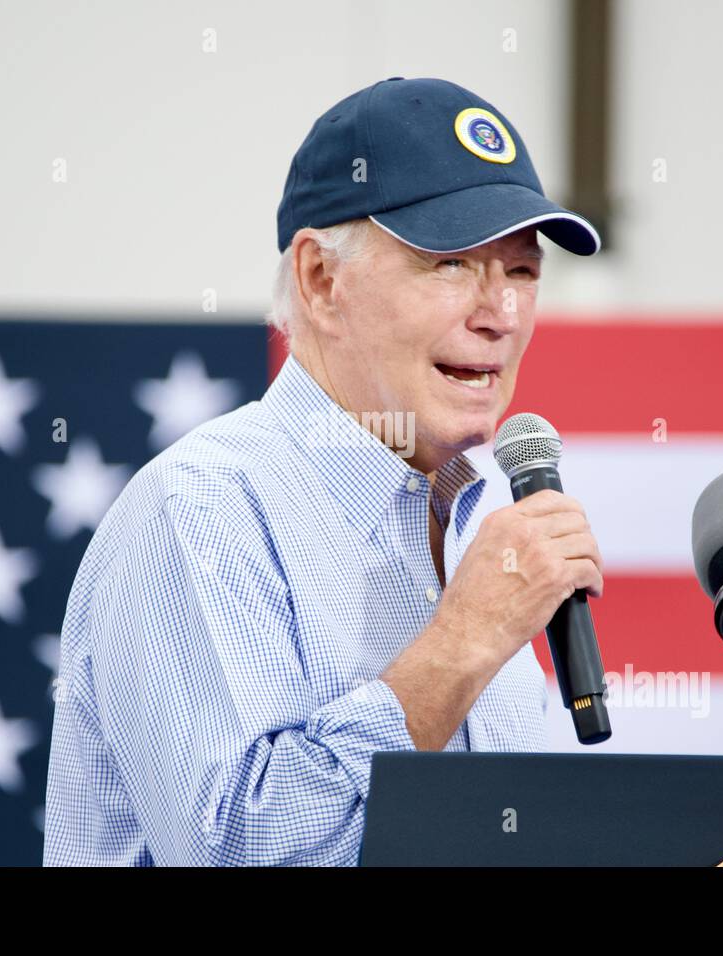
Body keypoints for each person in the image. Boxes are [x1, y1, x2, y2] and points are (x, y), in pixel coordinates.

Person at [44, 77, 605, 866]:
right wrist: (465, 640)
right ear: (320, 280)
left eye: (520, 271)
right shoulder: (200, 510)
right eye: (449, 262)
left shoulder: (474, 528)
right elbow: (238, 854)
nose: (499, 313)